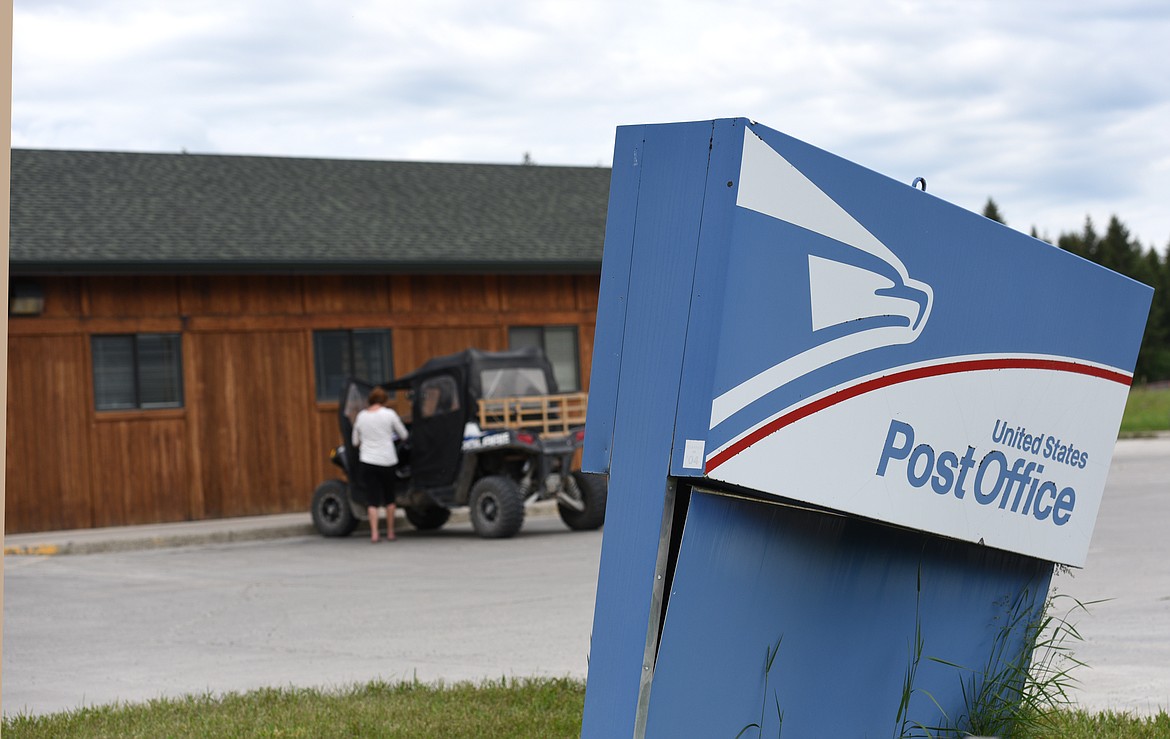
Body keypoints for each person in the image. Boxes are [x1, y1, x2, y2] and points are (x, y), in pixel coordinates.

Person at [351, 386, 409, 543]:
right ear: (384, 400)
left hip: (368, 460)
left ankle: (375, 534)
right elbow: (404, 434)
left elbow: (355, 441)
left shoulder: (361, 417)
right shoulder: (389, 414)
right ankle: (390, 532)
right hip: (387, 460)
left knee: (372, 499)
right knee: (390, 498)